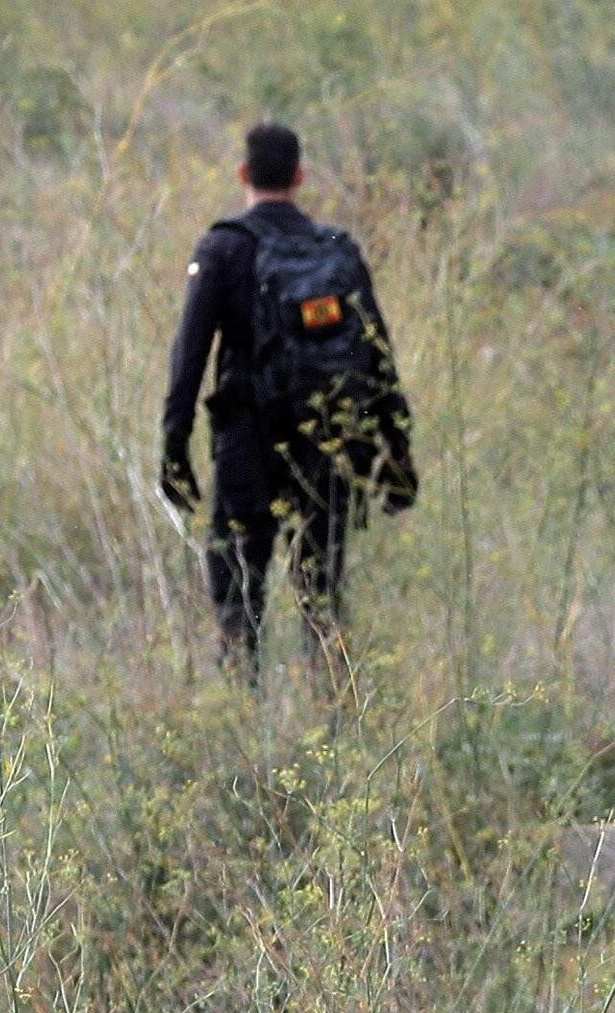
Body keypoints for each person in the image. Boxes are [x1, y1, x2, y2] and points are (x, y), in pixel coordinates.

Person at [154, 121, 417, 664]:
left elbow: (190, 358)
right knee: (323, 595)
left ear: (243, 174)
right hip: (330, 443)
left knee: (238, 593)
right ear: (300, 177)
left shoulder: (224, 248)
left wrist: (174, 448)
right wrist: (396, 452)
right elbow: (379, 356)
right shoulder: (338, 251)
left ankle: (244, 720)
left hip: (248, 444)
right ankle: (340, 721)